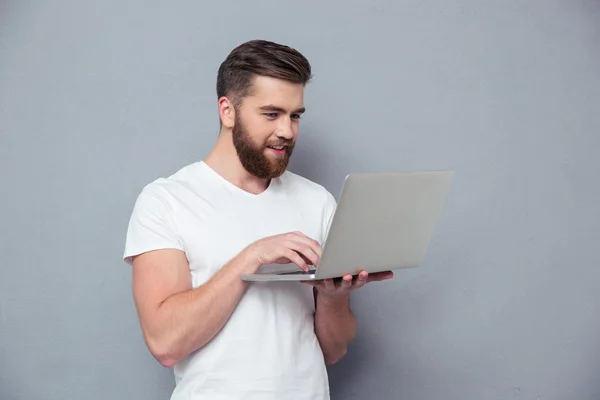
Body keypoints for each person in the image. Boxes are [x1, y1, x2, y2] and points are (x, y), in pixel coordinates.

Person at [122, 39, 393, 400]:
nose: (287, 130)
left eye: (295, 115)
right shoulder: (167, 201)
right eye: (271, 114)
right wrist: (252, 257)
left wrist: (332, 297)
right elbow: (165, 343)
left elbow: (334, 350)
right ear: (227, 110)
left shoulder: (316, 201)